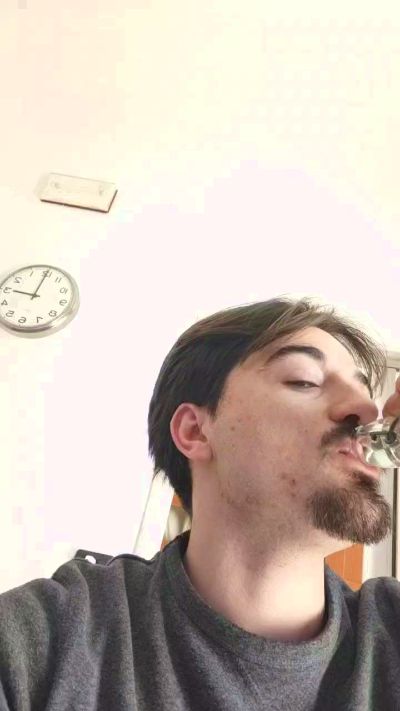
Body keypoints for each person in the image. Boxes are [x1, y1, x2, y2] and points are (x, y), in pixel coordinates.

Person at [1, 295, 400, 711]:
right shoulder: (49, 639)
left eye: (364, 390)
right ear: (195, 431)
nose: (366, 409)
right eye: (304, 380)